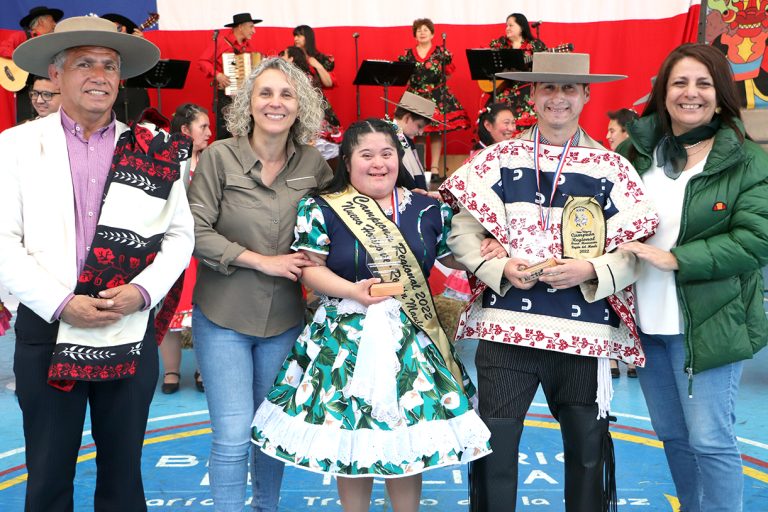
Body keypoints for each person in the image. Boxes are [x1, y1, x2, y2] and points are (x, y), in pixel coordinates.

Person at [441, 52, 659, 511]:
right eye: (548, 88)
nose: (558, 97)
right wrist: (499, 269)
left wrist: (592, 270)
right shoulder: (498, 159)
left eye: (568, 88)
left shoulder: (614, 169)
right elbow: (462, 230)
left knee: (586, 455)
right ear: (533, 95)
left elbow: (636, 248)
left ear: (585, 95)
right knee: (493, 451)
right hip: (505, 328)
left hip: (582, 334)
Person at [0, 15, 194, 511]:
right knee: (46, 474)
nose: (99, 75)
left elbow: (179, 235)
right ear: (55, 74)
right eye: (84, 63)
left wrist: (142, 293)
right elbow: (3, 240)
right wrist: (62, 303)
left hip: (127, 323)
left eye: (109, 65)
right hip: (48, 327)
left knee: (125, 475)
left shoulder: (155, 151)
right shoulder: (15, 147)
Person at [251, 118, 491, 512]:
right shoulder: (322, 206)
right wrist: (352, 291)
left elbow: (457, 256)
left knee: (407, 439)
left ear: (399, 158)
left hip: (411, 339)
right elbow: (309, 267)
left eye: (387, 154)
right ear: (347, 161)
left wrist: (491, 245)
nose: (378, 163)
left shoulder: (428, 209)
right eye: (366, 155)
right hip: (345, 338)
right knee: (352, 437)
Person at [618, 43, 768, 512]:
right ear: (663, 93)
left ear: (721, 95)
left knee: (710, 439)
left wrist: (677, 258)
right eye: (680, 82)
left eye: (703, 83)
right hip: (646, 324)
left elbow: (755, 239)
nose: (691, 93)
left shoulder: (746, 159)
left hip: (710, 321)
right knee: (674, 438)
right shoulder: (634, 153)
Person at [187, 57, 333, 512]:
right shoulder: (218, 157)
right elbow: (194, 230)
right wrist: (261, 262)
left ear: (300, 105)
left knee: (270, 433)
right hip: (223, 316)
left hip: (286, 321)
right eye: (265, 93)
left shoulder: (315, 164)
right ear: (247, 103)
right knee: (232, 436)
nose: (276, 102)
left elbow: (340, 223)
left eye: (287, 94)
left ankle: (266, 507)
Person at [159, 103, 212, 394]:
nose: (209, 132)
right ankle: (170, 371)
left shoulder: (212, 162)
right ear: (184, 131)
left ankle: (204, 370)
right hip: (173, 246)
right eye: (202, 126)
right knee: (169, 312)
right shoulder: (165, 163)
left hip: (203, 247)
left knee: (204, 313)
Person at [398, 18, 470, 180]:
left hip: (437, 96)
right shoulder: (408, 54)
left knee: (437, 132)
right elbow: (405, 77)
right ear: (414, 34)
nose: (422, 32)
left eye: (426, 29)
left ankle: (435, 169)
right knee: (418, 132)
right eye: (418, 30)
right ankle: (421, 167)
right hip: (415, 96)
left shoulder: (441, 53)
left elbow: (449, 73)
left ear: (432, 34)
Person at [604, 107, 640, 378]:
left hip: (626, 241)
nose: (607, 136)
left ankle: (619, 357)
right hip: (625, 242)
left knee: (618, 296)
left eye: (612, 130)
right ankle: (625, 357)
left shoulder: (621, 160)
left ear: (627, 132)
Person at [197, 12, 262, 140]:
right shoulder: (221, 42)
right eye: (251, 27)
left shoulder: (248, 46)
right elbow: (202, 61)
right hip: (225, 95)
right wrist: (218, 75)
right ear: (240, 27)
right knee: (224, 131)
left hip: (244, 96)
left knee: (246, 130)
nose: (253, 31)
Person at [486, 13, 546, 136]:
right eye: (506, 25)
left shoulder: (534, 46)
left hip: (526, 91)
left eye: (511, 25)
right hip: (503, 89)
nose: (507, 28)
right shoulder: (500, 44)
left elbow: (544, 69)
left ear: (522, 27)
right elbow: (487, 64)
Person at [0, 5, 63, 123]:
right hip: (25, 89)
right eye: (52, 20)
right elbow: (3, 49)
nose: (55, 24)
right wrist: (23, 60)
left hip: (47, 90)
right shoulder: (22, 36)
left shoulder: (53, 42)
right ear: (41, 21)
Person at [101, 13, 152, 124]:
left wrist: (141, 45)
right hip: (108, 91)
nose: (116, 31)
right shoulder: (100, 47)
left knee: (139, 126)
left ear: (126, 29)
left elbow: (147, 67)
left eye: (119, 28)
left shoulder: (135, 46)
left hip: (134, 93)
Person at [382, 90, 438, 190]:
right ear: (407, 118)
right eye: (419, 126)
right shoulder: (390, 138)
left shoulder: (403, 138)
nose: (421, 133)